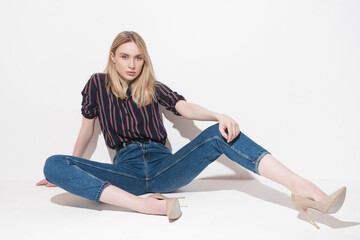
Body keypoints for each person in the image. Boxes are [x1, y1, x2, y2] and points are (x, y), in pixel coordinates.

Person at [36, 31, 346, 227]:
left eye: (138, 58)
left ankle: (301, 188)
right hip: (126, 173)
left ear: (145, 61)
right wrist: (69, 168)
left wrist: (217, 114)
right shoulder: (96, 84)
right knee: (53, 164)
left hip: (165, 167)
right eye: (125, 56)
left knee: (218, 134)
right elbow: (87, 132)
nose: (132, 64)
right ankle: (146, 207)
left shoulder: (152, 86)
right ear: (113, 57)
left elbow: (184, 107)